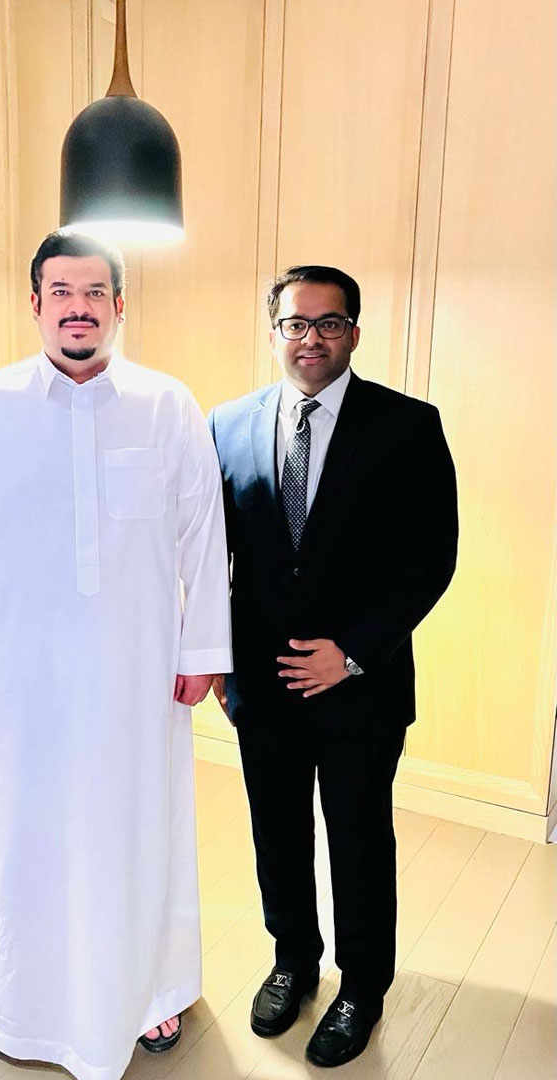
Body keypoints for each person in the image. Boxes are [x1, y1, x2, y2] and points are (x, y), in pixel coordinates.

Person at [0, 230, 232, 1080]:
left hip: (138, 676)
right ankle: (16, 1005)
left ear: (120, 306)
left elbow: (204, 536)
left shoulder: (167, 405)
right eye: (61, 291)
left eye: (95, 292)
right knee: (19, 835)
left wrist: (204, 647)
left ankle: (151, 991)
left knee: (141, 829)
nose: (78, 307)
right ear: (35, 304)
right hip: (14, 681)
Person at [208, 265, 457, 1068]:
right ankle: (293, 960)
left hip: (361, 686)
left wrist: (349, 652)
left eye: (328, 323)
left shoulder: (408, 426)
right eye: (295, 323)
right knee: (276, 833)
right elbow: (209, 556)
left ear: (353, 331)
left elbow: (431, 560)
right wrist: (216, 660)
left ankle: (362, 987)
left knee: (357, 838)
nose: (310, 338)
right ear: (273, 331)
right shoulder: (226, 424)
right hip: (263, 684)